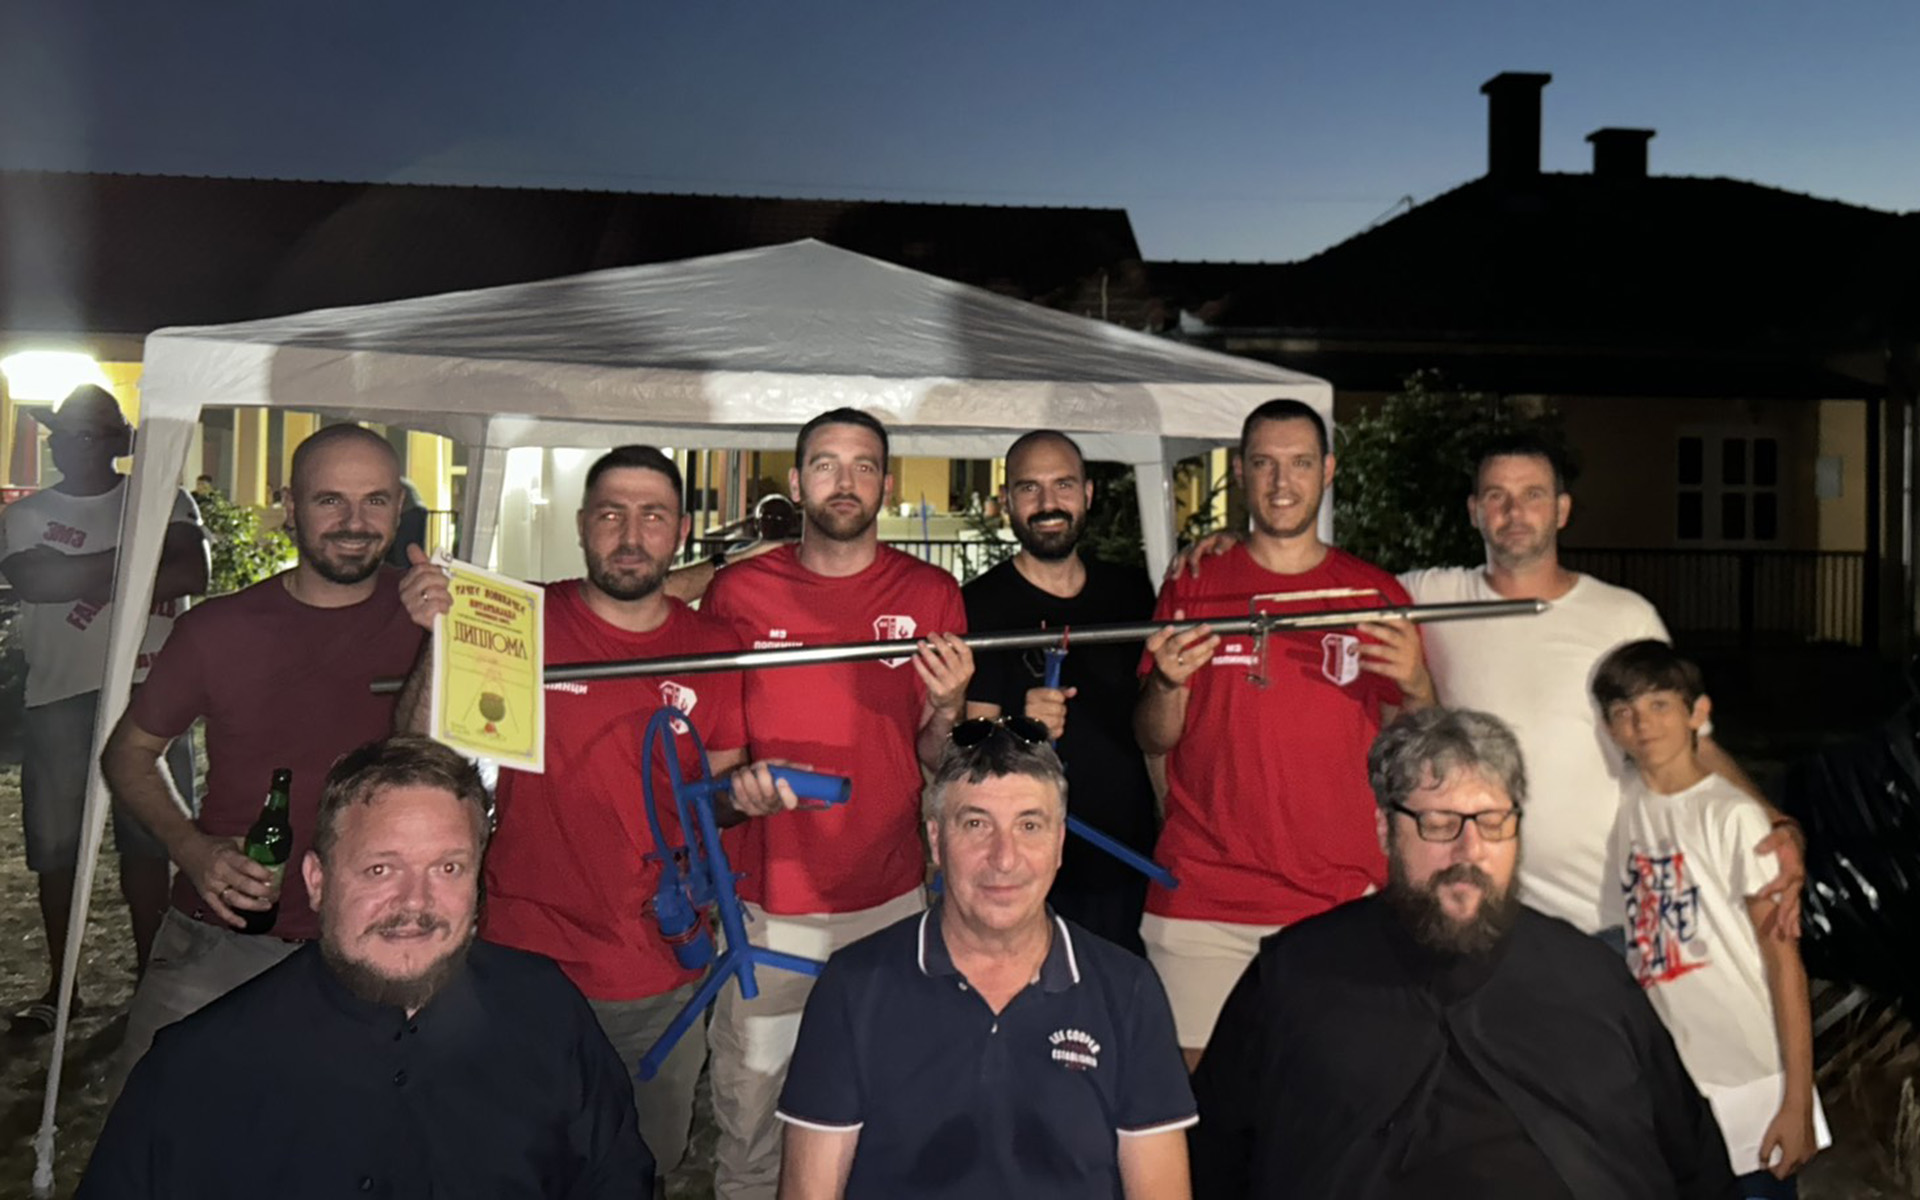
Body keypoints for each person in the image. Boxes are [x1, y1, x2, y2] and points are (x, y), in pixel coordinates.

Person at [1172, 432, 1804, 945]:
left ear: (1561, 510)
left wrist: (1772, 821)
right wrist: (1235, 548)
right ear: (1475, 511)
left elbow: (1690, 748)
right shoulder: (1428, 598)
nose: (1513, 512)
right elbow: (1316, 579)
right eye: (1497, 497)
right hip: (1471, 915)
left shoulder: (1624, 617)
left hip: (1600, 918)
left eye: (1532, 496)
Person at [395, 444, 796, 1185]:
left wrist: (742, 800)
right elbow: (415, 752)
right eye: (612, 514)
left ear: (680, 531)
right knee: (515, 1166)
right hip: (524, 960)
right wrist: (438, 639)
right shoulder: (522, 620)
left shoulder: (713, 647)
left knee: (640, 1165)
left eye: (653, 516)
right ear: (583, 524)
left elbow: (714, 800)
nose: (631, 535)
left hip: (656, 964)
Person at [1190, 707, 1737, 1199]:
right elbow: (1211, 1159)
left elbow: (1693, 1158)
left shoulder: (1589, 979)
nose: (1469, 850)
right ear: (1386, 829)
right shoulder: (1296, 976)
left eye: (1493, 823)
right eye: (1440, 824)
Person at [78, 735, 655, 1198]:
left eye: (448, 868)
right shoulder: (199, 1071)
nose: (415, 903)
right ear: (317, 881)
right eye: (381, 869)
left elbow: (618, 1178)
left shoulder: (549, 1016)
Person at [101, 423, 441, 1084]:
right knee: (149, 1121)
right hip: (223, 938)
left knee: (347, 1134)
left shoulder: (436, 620)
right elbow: (128, 754)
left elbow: (426, 758)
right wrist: (191, 848)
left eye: (374, 500)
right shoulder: (218, 629)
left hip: (378, 944)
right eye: (329, 500)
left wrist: (443, 638)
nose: (354, 523)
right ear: (290, 506)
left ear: (399, 507)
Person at [699, 407, 973, 1200]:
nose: (844, 482)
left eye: (863, 466)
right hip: (767, 904)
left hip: (889, 903)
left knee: (886, 1115)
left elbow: (937, 758)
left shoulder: (930, 592)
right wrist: (739, 793)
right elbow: (715, 758)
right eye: (826, 464)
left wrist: (949, 708)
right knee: (753, 1125)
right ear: (797, 482)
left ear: (885, 483)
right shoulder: (739, 592)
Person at [776, 720, 1195, 1200]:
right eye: (976, 824)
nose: (1004, 858)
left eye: (1029, 826)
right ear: (936, 840)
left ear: (1059, 844)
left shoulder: (1127, 990)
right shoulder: (853, 987)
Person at [1136, 398, 1430, 1066]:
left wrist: (1417, 685)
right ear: (1240, 471)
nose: (1281, 482)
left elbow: (1412, 751)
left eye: (1299, 463)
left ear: (1327, 470)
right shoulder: (1196, 582)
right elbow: (1153, 738)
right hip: (1204, 895)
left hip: (1340, 899)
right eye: (1264, 463)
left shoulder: (1372, 595)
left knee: (1335, 1099)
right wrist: (1168, 684)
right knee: (1198, 1107)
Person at [0, 385, 207, 1035]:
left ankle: (149, 982)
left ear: (119, 443)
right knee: (56, 849)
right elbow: (35, 582)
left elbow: (189, 574)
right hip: (59, 695)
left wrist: (78, 572)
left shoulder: (164, 499)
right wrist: (138, 561)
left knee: (150, 842)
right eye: (64, 433)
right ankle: (62, 988)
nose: (71, 445)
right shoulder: (28, 514)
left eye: (89, 434)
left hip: (152, 693)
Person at [1595, 641, 1828, 1197]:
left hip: (1752, 1077)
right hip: (1677, 1081)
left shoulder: (1734, 817)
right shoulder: (1626, 804)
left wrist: (1797, 1100)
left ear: (1698, 713)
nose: (1642, 724)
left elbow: (1784, 963)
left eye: (1659, 705)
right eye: (1624, 711)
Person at [962, 430, 1159, 954]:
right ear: (1007, 500)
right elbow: (965, 745)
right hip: (1023, 869)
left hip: (1130, 857)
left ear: (1087, 494)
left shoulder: (1132, 592)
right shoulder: (978, 606)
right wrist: (1018, 728)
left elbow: (1158, 726)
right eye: (1030, 488)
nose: (1048, 503)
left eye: (1063, 485)